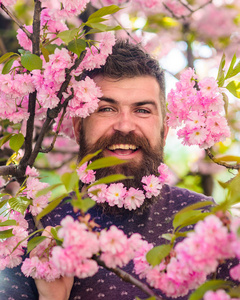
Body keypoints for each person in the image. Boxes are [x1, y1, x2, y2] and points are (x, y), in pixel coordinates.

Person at [0, 40, 233, 300]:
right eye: (107, 109)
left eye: (142, 110)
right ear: (78, 128)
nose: (125, 125)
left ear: (164, 132)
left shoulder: (205, 221)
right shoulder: (32, 229)